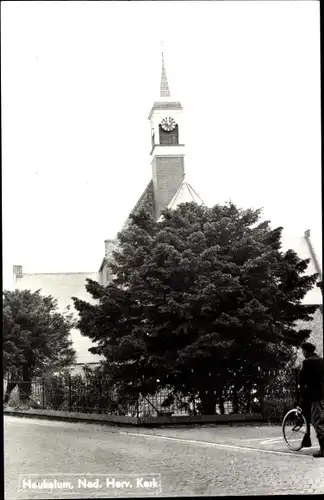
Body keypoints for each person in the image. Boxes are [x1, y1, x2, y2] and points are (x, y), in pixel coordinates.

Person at [299, 342, 324, 458]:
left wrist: (302, 395)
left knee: (316, 420)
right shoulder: (321, 360)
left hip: (315, 396)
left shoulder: (307, 362)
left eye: (302, 351)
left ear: (305, 351)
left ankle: (323, 449)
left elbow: (302, 380)